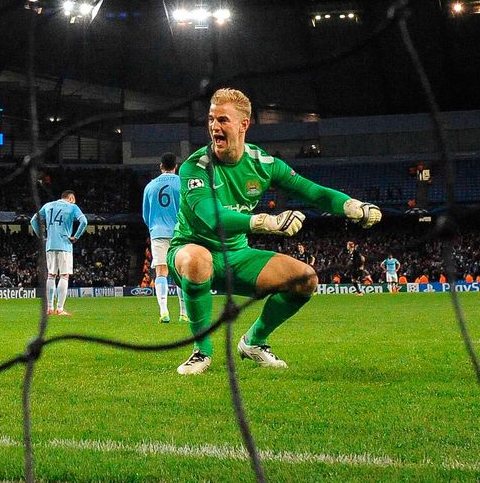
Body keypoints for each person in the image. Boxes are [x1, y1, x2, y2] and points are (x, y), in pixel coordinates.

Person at [168, 88, 381, 375]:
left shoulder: (263, 164)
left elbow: (312, 191)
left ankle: (254, 342)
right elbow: (212, 218)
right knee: (198, 259)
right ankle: (201, 352)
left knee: (305, 279)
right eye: (210, 119)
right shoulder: (196, 166)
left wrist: (351, 205)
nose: (214, 127)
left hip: (237, 255)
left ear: (244, 125)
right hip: (190, 250)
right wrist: (265, 222)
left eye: (222, 120)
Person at [142, 152, 188, 323]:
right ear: (176, 167)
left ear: (161, 167)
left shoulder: (150, 186)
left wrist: (154, 228)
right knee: (181, 273)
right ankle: (183, 313)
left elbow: (146, 215)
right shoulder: (182, 184)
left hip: (158, 233)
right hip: (180, 233)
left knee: (161, 272)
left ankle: (164, 312)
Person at [30, 190, 88, 316]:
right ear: (71, 198)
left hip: (50, 245)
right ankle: (60, 308)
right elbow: (84, 221)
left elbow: (33, 220)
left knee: (51, 275)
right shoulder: (72, 207)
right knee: (64, 275)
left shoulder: (48, 205)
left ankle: (49, 308)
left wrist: (41, 236)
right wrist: (76, 237)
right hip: (64, 245)